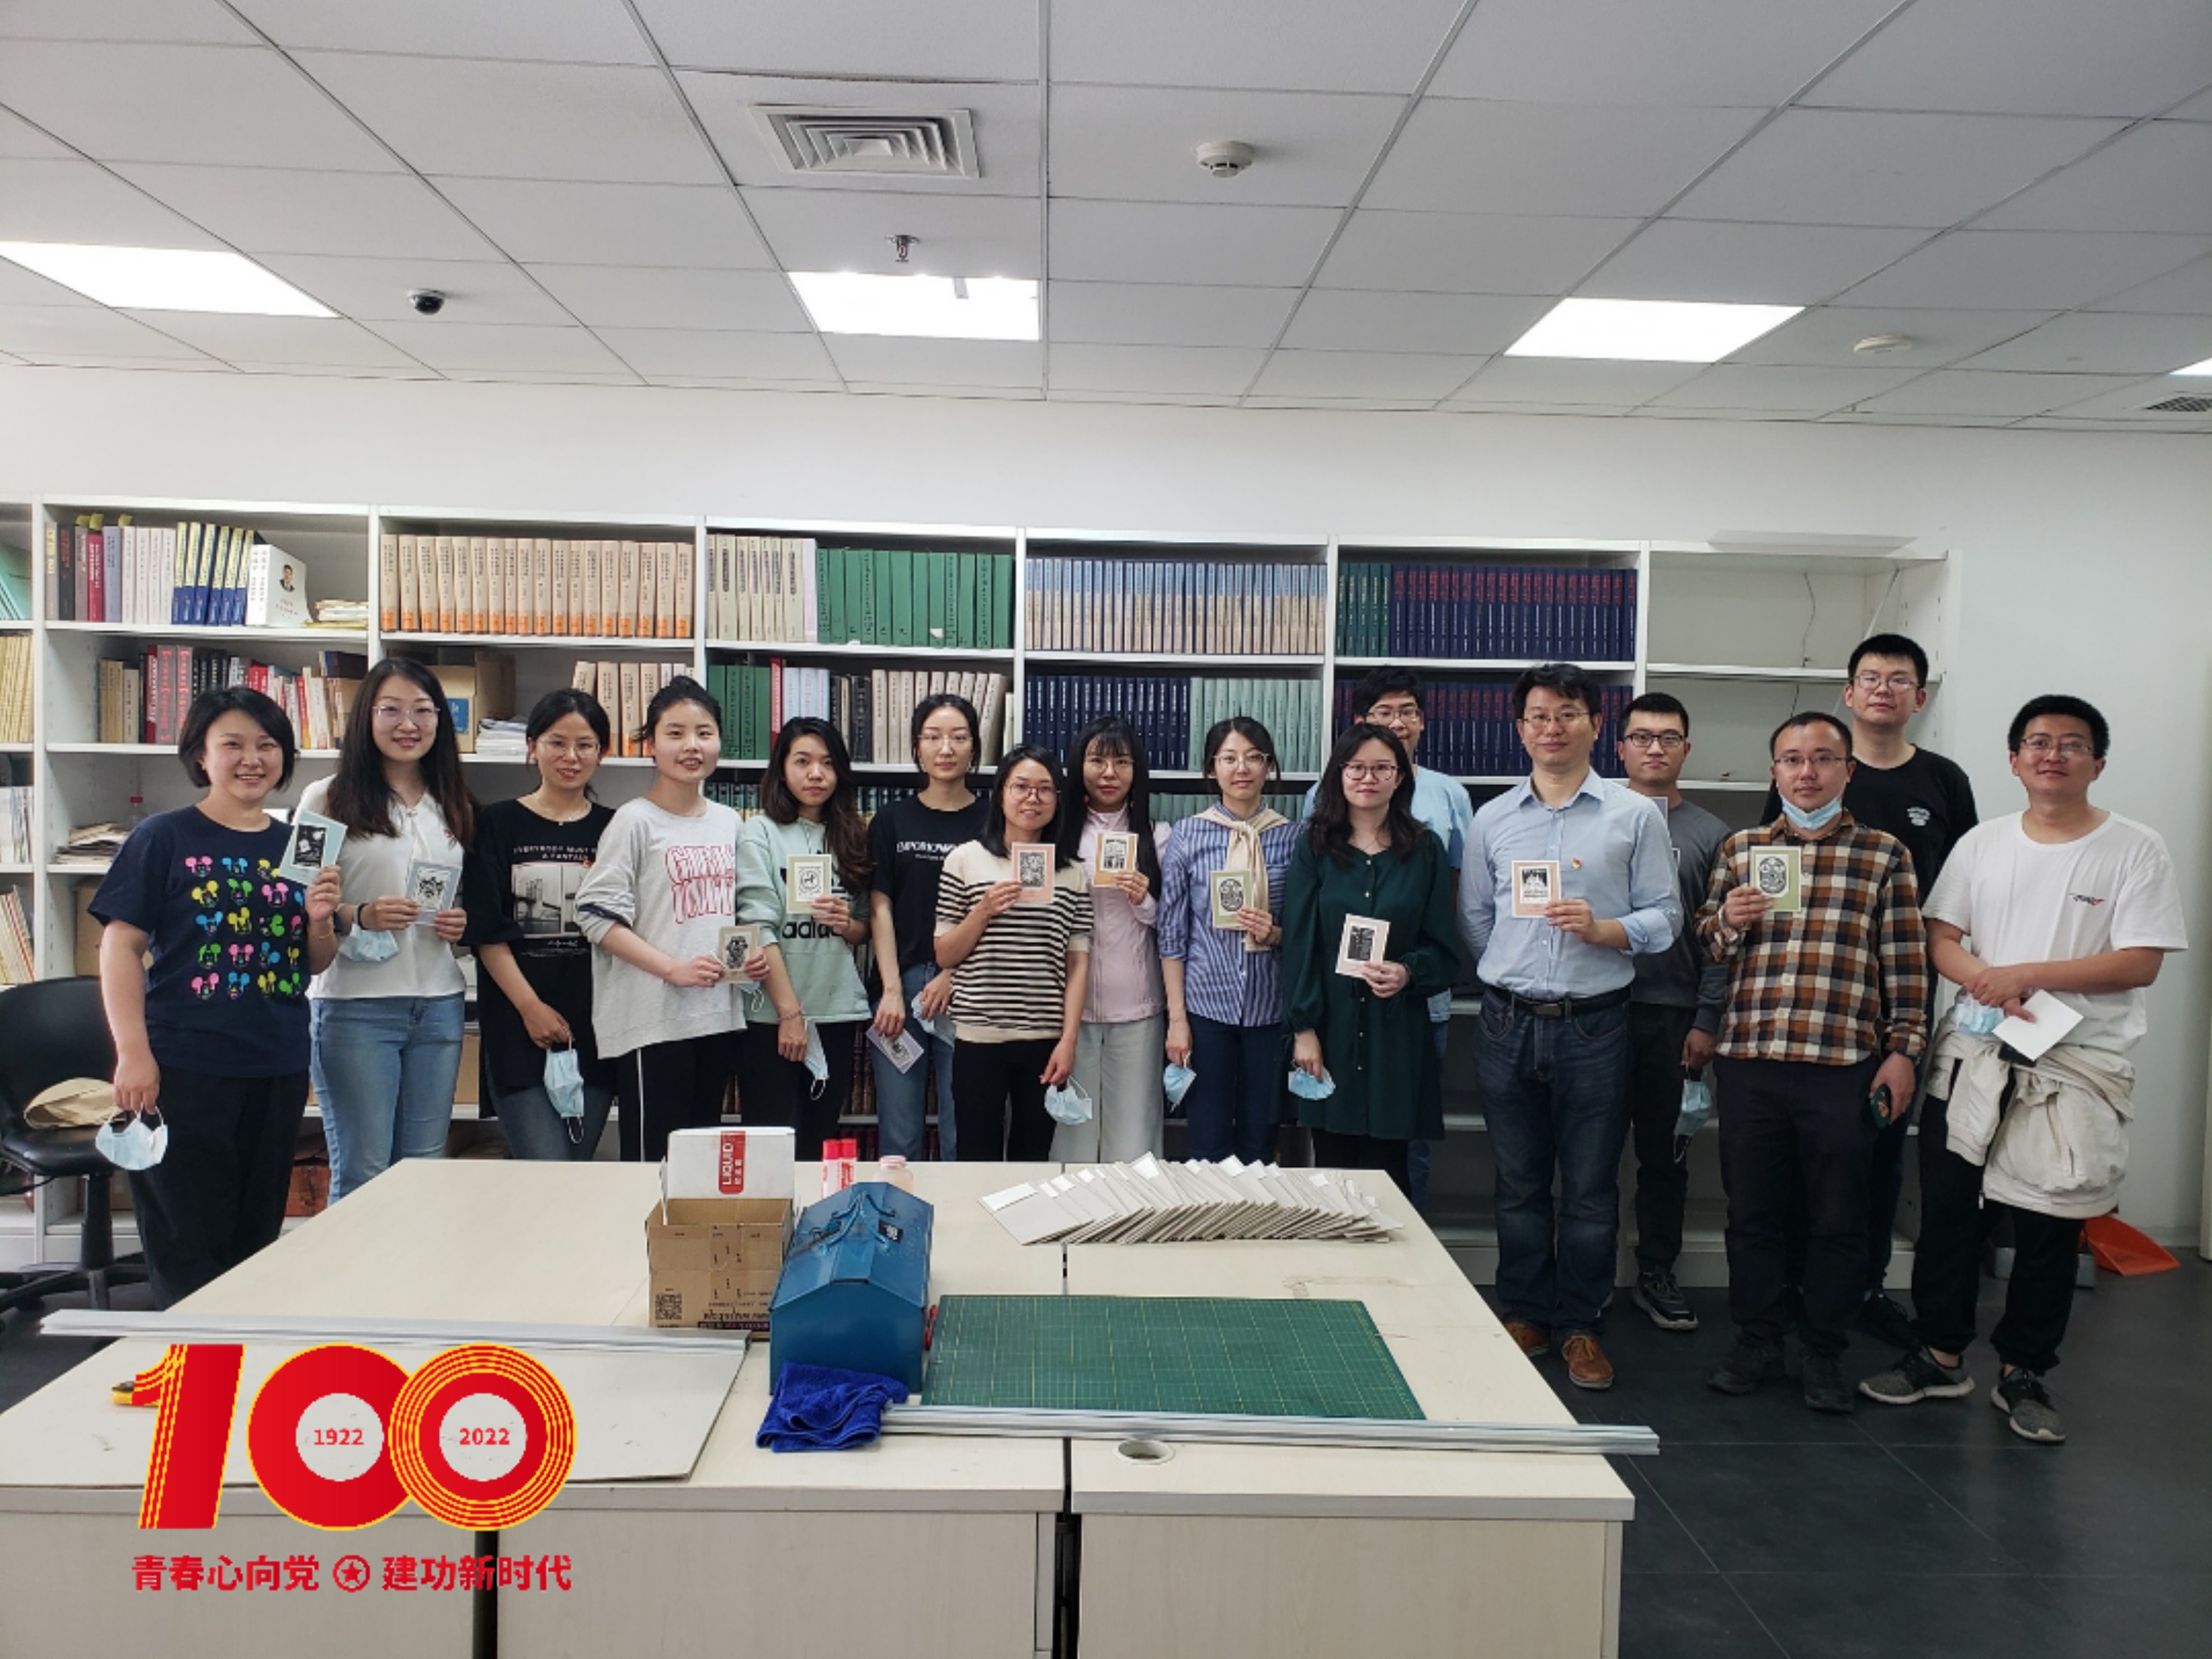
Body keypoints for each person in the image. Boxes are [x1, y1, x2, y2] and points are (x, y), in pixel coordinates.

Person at [1860, 697, 2184, 1443]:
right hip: (1973, 1052)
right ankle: (1940, 1354)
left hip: (2074, 1063)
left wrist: (2024, 975)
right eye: (2037, 742)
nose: (2052, 755)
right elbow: (1940, 935)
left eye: (2071, 744)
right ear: (2013, 760)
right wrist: (1989, 982)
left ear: (2098, 762)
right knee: (1949, 1212)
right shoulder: (1983, 842)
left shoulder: (2134, 848)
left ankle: (2025, 1371)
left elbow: (2139, 960)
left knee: (2047, 1222)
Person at [1699, 712, 1928, 1413]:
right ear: (1773, 771)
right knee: (1753, 1212)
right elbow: (1707, 943)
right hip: (1752, 1059)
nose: (1807, 772)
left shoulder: (1884, 854)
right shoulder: (1742, 848)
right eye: (1792, 759)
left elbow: (1906, 963)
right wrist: (1728, 921)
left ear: (1847, 770)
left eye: (1823, 758)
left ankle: (1823, 1348)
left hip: (1843, 1063)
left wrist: (1903, 1051)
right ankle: (1758, 1338)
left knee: (1838, 1215)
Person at [1460, 664, 1677, 1391]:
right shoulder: (1492, 818)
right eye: (1537, 715)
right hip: (1507, 1022)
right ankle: (1524, 1311)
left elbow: (1665, 918)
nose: (1551, 728)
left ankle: (1581, 1322)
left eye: (1566, 714)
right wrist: (1514, 973)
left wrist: (1605, 929)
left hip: (1595, 1026)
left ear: (1595, 725)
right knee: (1518, 1182)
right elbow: (1476, 920)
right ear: (1519, 728)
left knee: (1589, 1187)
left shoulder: (1634, 815)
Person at [93, 688, 343, 1305]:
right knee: (187, 1235)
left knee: (255, 1234)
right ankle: (191, 1353)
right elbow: (120, 947)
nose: (252, 759)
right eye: (233, 744)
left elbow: (314, 961)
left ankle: (238, 1351)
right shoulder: (163, 836)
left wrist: (319, 921)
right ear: (201, 756)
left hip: (277, 1062)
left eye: (267, 745)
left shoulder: (300, 844)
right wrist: (132, 1053)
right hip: (185, 1063)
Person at [1761, 633, 1977, 1349]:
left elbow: (1965, 886)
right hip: (1814, 996)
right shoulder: (1810, 772)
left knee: (1879, 1148)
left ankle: (1865, 1287)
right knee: (1803, 1153)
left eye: (1899, 679)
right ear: (1848, 692)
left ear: (1919, 696)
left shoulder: (1943, 780)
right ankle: (1797, 1289)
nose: (1883, 689)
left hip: (1899, 995)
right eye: (1870, 677)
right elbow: (1774, 875)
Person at [301, 658, 473, 1200]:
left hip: (439, 1003)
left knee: (425, 1170)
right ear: (366, 717)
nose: (409, 724)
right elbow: (294, 901)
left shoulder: (453, 802)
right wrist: (359, 914)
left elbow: (459, 895)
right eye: (391, 710)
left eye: (423, 711)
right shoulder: (323, 797)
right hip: (357, 1007)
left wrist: (459, 921)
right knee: (364, 1173)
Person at [1309, 669, 1474, 1211]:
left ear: (1399, 777)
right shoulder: (1316, 841)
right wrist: (1303, 1027)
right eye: (1356, 767)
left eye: (1382, 768)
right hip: (1331, 1020)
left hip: (1402, 1020)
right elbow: (1303, 942)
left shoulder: (1424, 846)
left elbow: (1447, 927)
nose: (1368, 777)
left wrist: (1408, 971)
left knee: (1399, 1159)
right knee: (1331, 1164)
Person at [575, 675, 743, 1161]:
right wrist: (673, 969)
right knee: (654, 1166)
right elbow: (594, 916)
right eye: (675, 733)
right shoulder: (634, 820)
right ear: (650, 744)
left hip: (718, 1017)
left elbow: (733, 912)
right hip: (654, 1020)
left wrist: (747, 964)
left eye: (704, 733)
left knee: (702, 1166)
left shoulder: (730, 822)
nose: (692, 745)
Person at [460, 688, 617, 1161]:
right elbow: (487, 930)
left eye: (585, 745)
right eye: (556, 743)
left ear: (602, 752)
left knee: (575, 1168)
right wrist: (530, 1008)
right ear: (532, 746)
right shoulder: (496, 824)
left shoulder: (616, 828)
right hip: (517, 1022)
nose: (571, 757)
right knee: (546, 1167)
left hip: (596, 1025)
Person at [1614, 692, 1729, 1332]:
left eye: (1668, 737)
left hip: (1673, 1017)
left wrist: (1706, 1017)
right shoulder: (1596, 820)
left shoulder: (1712, 835)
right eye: (1641, 736)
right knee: (1588, 1155)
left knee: (1666, 1157)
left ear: (1687, 748)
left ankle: (1657, 1270)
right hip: (1597, 1012)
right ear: (1620, 747)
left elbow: (1720, 940)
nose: (1654, 748)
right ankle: (1585, 1275)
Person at [934, 745, 1092, 1160]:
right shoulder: (964, 860)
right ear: (1001, 794)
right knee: (976, 1157)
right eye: (1021, 787)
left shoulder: (1073, 873)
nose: (1032, 799)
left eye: (1045, 789)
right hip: (978, 1036)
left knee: (1033, 1159)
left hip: (1044, 1039)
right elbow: (945, 955)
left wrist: (1068, 1040)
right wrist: (983, 910)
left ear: (1058, 799)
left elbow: (1078, 963)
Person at [1161, 717, 1300, 1164]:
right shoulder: (1187, 834)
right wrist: (1177, 1020)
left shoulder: (1294, 837)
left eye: (1253, 757)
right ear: (1211, 768)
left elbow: (1307, 932)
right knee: (1206, 1145)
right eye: (1229, 758)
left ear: (1268, 766)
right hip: (1206, 1010)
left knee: (1260, 1144)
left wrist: (1273, 932)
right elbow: (1172, 934)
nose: (1242, 768)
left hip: (1269, 1011)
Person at [736, 717, 874, 1160]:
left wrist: (846, 924)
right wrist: (789, 1013)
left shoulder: (852, 833)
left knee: (818, 1142)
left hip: (835, 1008)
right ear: (781, 769)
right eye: (802, 762)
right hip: (771, 1015)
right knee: (768, 1144)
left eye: (828, 763)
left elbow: (864, 926)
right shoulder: (759, 831)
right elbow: (757, 926)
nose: (816, 774)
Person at [867, 694, 986, 1160]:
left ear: (974, 746)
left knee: (964, 1130)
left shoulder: (993, 822)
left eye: (959, 737)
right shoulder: (891, 819)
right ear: (917, 746)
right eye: (933, 737)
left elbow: (997, 912)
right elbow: (880, 907)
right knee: (899, 1134)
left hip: (970, 987)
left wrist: (952, 973)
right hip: (900, 986)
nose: (946, 748)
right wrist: (892, 990)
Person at [1053, 716, 1171, 1162]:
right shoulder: (1055, 835)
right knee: (1071, 1131)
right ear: (1078, 766)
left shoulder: (1158, 836)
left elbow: (1176, 927)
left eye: (1121, 762)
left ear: (1136, 770)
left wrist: (1144, 900)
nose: (1109, 773)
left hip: (1137, 1003)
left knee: (1134, 1131)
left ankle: (1133, 1209)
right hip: (1066, 1007)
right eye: (1097, 760)